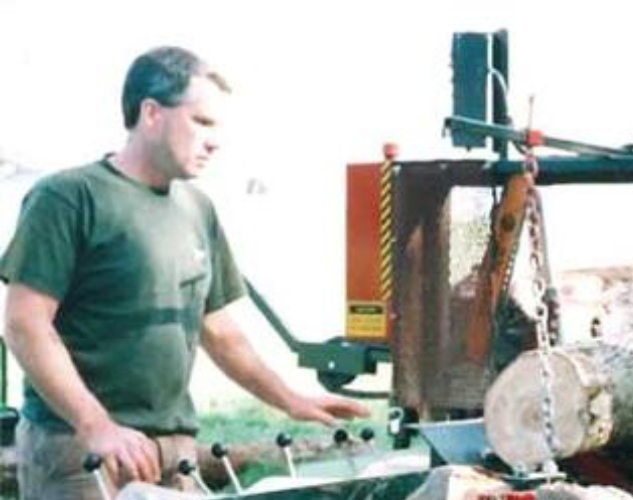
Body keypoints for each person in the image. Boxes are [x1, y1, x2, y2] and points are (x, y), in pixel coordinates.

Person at [0, 46, 370, 499]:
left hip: (173, 449)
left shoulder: (197, 209)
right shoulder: (69, 197)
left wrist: (289, 399)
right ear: (151, 113)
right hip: (81, 446)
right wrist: (96, 426)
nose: (215, 141)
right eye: (202, 122)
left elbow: (219, 332)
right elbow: (24, 324)